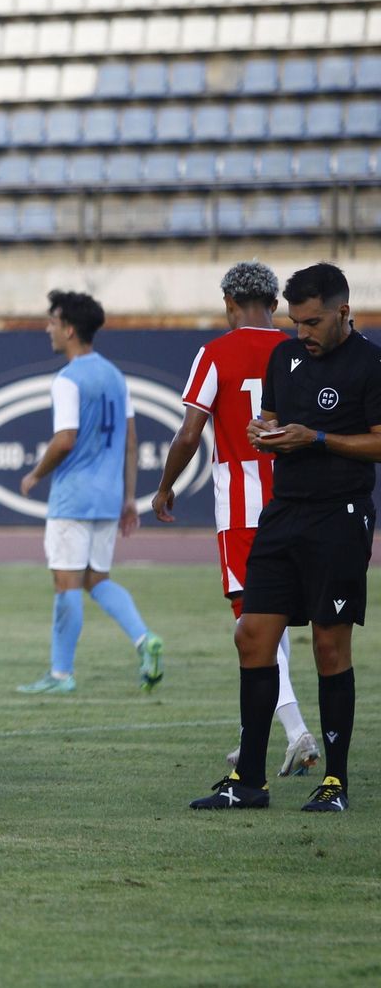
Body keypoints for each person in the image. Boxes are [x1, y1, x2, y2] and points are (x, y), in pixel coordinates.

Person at [191, 263, 381, 814]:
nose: (304, 333)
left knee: (328, 644)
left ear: (343, 312)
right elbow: (268, 422)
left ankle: (336, 783)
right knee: (251, 634)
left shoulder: (370, 363)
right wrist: (262, 434)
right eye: (296, 321)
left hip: (340, 516)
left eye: (314, 321)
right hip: (283, 513)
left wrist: (318, 438)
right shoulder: (283, 356)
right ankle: (249, 780)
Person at [154, 262, 320, 778]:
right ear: (274, 305)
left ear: (229, 301)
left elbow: (188, 434)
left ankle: (295, 731)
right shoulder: (298, 351)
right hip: (304, 495)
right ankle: (255, 735)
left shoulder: (216, 353)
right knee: (277, 617)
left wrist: (165, 487)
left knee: (251, 621)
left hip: (247, 508)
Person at [17, 290, 163, 695]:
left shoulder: (68, 378)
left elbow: (65, 439)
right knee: (97, 579)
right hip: (108, 497)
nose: (48, 329)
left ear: (68, 329)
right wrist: (129, 497)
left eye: (52, 322)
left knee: (66, 583)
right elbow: (131, 440)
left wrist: (34, 474)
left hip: (74, 496)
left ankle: (60, 675)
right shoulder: (115, 376)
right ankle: (143, 637)